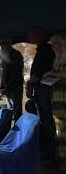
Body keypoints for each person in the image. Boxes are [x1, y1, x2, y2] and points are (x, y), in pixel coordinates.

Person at [27, 26, 56, 164]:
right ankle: (47, 152)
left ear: (39, 35)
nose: (29, 37)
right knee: (43, 121)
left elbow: (42, 71)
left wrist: (30, 82)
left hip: (45, 90)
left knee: (47, 122)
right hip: (40, 90)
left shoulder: (46, 50)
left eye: (32, 34)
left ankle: (50, 155)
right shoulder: (41, 50)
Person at [43, 33, 66, 164]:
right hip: (57, 99)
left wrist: (52, 73)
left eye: (55, 45)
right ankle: (62, 163)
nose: (53, 48)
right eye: (52, 46)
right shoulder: (56, 60)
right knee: (59, 131)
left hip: (64, 98)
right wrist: (48, 77)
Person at [0, 39, 24, 121]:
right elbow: (4, 73)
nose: (1, 47)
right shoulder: (5, 55)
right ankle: (11, 130)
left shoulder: (16, 54)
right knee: (9, 109)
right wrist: (2, 86)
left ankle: (17, 129)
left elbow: (16, 72)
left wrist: (6, 86)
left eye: (3, 45)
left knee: (16, 109)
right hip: (8, 87)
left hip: (15, 86)